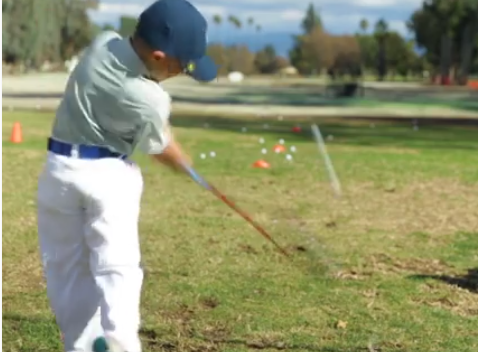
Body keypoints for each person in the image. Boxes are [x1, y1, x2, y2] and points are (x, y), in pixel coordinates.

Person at [36, 0, 218, 351]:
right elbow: (162, 148)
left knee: (67, 272)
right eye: (184, 65)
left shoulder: (102, 43)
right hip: (106, 178)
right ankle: (120, 345)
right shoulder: (151, 99)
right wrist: (185, 164)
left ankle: (84, 344)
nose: (184, 72)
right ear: (160, 57)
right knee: (117, 268)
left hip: (58, 170)